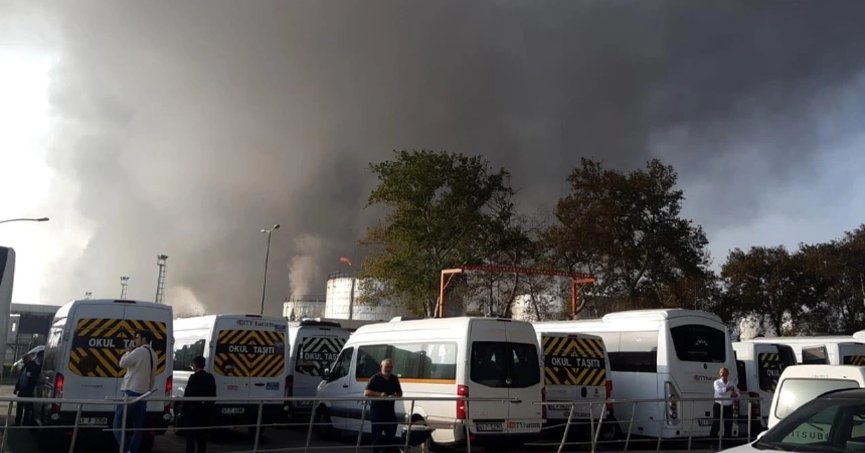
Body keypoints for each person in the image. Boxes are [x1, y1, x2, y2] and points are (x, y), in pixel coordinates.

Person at [113, 329, 158, 453]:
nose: (135, 340)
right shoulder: (153, 354)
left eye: (137, 337)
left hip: (131, 391)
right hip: (144, 393)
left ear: (144, 339)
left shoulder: (139, 351)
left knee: (117, 422)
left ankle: (125, 448)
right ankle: (133, 450)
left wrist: (128, 352)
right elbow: (152, 375)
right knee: (137, 427)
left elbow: (122, 363)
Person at [364, 358, 403, 453]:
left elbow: (400, 392)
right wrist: (379, 394)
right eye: (386, 367)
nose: (388, 369)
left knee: (391, 434)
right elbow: (366, 392)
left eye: (390, 367)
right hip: (377, 412)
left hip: (389, 412)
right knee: (376, 436)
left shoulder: (394, 378)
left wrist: (395, 395)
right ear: (381, 367)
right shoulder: (375, 378)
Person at [181, 356, 217, 453]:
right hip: (205, 413)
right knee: (202, 440)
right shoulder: (210, 377)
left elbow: (188, 395)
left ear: (196, 365)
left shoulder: (193, 377)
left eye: (193, 364)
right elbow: (213, 395)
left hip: (193, 413)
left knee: (190, 439)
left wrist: (184, 411)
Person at [710, 366, 739, 447]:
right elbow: (720, 391)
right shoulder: (716, 382)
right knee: (716, 424)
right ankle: (713, 443)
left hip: (728, 406)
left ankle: (727, 443)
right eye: (721, 372)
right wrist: (729, 388)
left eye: (724, 372)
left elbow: (738, 393)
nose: (722, 374)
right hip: (718, 405)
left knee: (728, 424)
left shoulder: (732, 383)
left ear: (727, 374)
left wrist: (735, 395)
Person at [13, 353, 40, 426]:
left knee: (26, 408)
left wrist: (29, 388)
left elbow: (32, 379)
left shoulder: (33, 366)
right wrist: (17, 387)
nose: (24, 361)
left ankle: (24, 422)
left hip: (28, 390)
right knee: (21, 407)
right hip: (23, 389)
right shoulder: (25, 366)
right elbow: (21, 378)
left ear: (27, 359)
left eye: (24, 360)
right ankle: (19, 422)